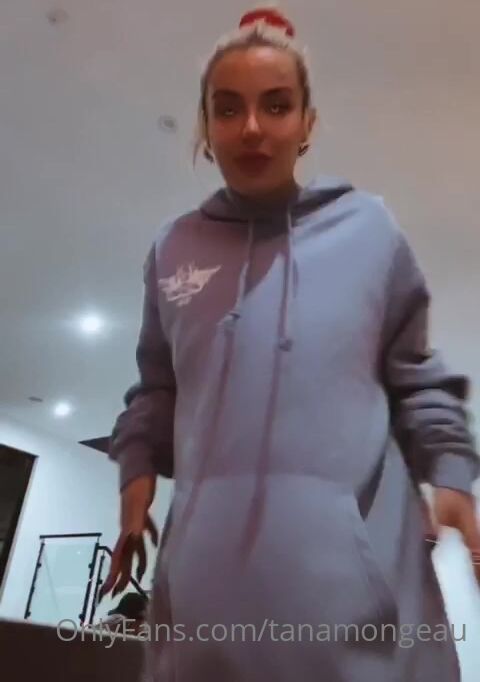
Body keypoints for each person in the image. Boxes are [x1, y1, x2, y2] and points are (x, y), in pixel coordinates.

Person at [100, 7, 480, 681]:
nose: (252, 127)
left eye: (276, 106)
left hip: (357, 621)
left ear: (307, 124)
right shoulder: (173, 248)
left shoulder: (369, 230)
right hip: (206, 614)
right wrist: (135, 477)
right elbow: (157, 388)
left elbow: (418, 378)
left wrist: (450, 474)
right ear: (205, 129)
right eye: (228, 109)